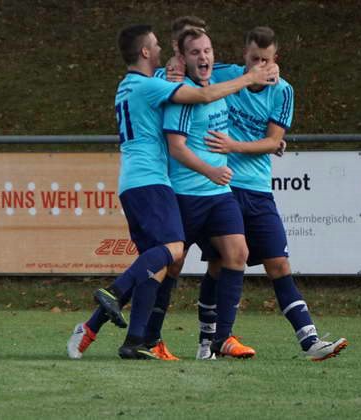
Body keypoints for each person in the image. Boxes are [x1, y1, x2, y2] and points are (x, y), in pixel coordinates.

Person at [66, 23, 278, 360]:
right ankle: (114, 296)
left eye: (206, 50)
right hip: (154, 181)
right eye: (156, 46)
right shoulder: (155, 86)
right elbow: (202, 99)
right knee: (170, 253)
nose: (161, 50)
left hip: (148, 181)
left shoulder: (135, 84)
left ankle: (132, 339)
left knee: (173, 258)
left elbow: (225, 82)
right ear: (146, 52)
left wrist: (267, 138)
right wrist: (249, 78)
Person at [197, 26, 349, 361]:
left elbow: (272, 140)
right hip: (223, 187)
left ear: (275, 58)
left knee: (279, 264)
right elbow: (186, 72)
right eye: (254, 59)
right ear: (244, 55)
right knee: (220, 264)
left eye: (265, 60)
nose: (260, 66)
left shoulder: (283, 91)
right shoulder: (223, 74)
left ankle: (310, 341)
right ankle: (207, 342)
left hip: (258, 189)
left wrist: (234, 145)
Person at [163, 28, 256, 359]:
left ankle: (222, 338)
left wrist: (269, 142)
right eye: (195, 52)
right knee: (171, 265)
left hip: (219, 194)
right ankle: (148, 335)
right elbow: (176, 147)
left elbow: (255, 68)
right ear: (182, 58)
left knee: (237, 254)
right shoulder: (181, 94)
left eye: (207, 50)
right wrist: (211, 170)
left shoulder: (217, 85)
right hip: (185, 194)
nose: (203, 57)